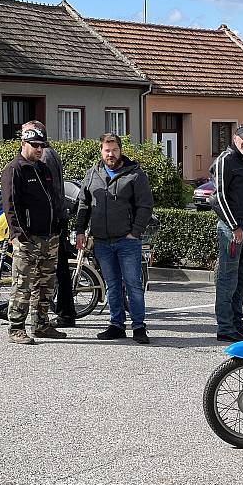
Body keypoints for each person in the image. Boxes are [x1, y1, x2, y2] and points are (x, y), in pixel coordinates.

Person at [76, 133, 154, 344]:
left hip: (127, 240)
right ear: (101, 151)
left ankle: (139, 327)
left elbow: (145, 206)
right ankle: (116, 325)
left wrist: (135, 232)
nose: (111, 154)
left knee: (133, 285)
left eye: (114, 150)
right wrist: (80, 231)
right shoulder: (92, 173)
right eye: (107, 150)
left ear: (121, 150)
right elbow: (83, 204)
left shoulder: (135, 174)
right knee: (111, 284)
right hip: (102, 241)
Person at [1, 124, 66, 344]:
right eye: (35, 145)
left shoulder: (43, 168)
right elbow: (11, 206)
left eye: (42, 146)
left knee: (46, 285)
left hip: (49, 237)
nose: (39, 149)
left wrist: (58, 224)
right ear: (23, 144)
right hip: (27, 239)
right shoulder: (14, 169)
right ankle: (16, 328)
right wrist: (19, 234)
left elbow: (53, 197)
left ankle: (41, 324)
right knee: (23, 285)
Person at [209, 124, 243, 342]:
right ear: (234, 138)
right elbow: (218, 197)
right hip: (233, 228)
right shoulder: (226, 160)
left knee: (242, 279)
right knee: (227, 279)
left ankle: (237, 323)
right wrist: (234, 226)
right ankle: (225, 327)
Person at [23, 120, 77, 328]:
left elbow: (50, 191)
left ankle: (64, 313)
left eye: (26, 134)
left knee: (57, 266)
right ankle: (64, 312)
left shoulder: (44, 155)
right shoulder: (49, 153)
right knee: (57, 266)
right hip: (57, 215)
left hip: (53, 218)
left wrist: (52, 217)